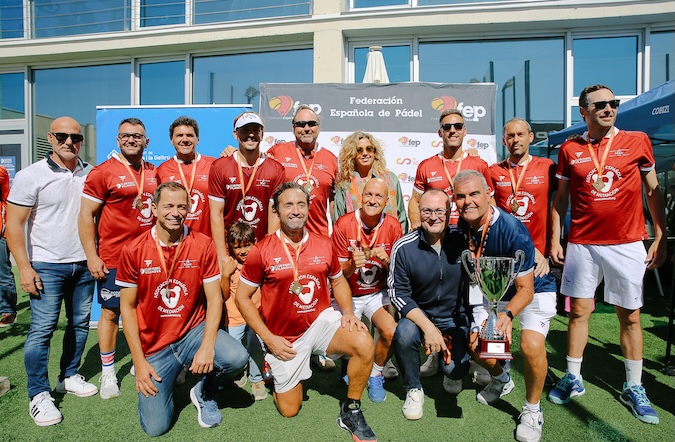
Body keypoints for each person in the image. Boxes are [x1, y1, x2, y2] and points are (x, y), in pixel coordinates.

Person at [548, 84, 666, 425]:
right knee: (579, 312)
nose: (608, 108)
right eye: (599, 104)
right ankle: (574, 376)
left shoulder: (637, 140)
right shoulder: (570, 149)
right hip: (583, 244)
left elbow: (653, 192)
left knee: (629, 315)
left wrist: (660, 234)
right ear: (583, 111)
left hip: (627, 242)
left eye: (613, 103)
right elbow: (561, 200)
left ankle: (633, 386)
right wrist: (557, 239)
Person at [235, 182, 377, 442]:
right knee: (290, 410)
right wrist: (268, 339)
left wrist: (347, 311)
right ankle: (274, 366)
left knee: (363, 341)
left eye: (301, 204)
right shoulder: (261, 250)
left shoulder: (324, 244)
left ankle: (351, 408)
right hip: (284, 337)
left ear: (309, 208)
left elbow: (337, 280)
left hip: (320, 321)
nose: (295, 210)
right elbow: (242, 298)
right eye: (288, 204)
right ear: (277, 211)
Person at [116, 182, 248, 436]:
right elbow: (128, 309)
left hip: (192, 334)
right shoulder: (133, 249)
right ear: (154, 208)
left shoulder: (203, 244)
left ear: (189, 209)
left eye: (181, 206)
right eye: (168, 206)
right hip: (155, 345)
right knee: (156, 428)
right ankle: (172, 374)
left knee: (236, 358)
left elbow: (214, 300)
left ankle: (205, 391)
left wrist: (207, 347)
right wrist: (139, 363)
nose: (175, 212)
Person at [6, 116, 97, 426]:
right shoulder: (31, 175)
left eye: (75, 137)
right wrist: (24, 268)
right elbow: (14, 226)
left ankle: (68, 375)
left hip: (83, 264)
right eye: (62, 136)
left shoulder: (90, 173)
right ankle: (39, 394)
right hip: (46, 265)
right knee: (42, 331)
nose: (69, 141)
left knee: (80, 324)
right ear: (50, 138)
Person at [79, 117, 158, 399]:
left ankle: (142, 360)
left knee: (145, 311)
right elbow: (86, 215)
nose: (131, 140)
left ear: (146, 142)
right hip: (114, 258)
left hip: (148, 256)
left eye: (137, 136)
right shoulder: (103, 172)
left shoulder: (154, 171)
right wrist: (92, 255)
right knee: (111, 312)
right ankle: (109, 372)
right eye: (126, 135)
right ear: (117, 140)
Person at [407, 108, 490, 376]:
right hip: (438, 245)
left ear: (465, 131)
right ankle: (434, 354)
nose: (452, 130)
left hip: (468, 245)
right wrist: (419, 232)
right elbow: (414, 201)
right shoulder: (427, 165)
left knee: (475, 303)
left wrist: (482, 243)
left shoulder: (479, 165)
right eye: (447, 127)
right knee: (438, 299)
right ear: (439, 132)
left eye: (457, 126)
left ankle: (483, 360)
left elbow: (491, 206)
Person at [388, 188, 471, 421]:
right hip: (418, 315)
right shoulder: (404, 246)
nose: (432, 216)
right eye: (426, 210)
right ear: (418, 211)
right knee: (404, 333)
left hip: (454, 317)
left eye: (438, 211)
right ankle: (413, 389)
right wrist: (429, 328)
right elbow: (398, 294)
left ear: (449, 212)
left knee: (457, 370)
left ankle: (447, 368)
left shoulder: (463, 241)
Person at [332, 178, 402, 402]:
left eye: (378, 196)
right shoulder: (344, 224)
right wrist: (352, 264)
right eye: (368, 195)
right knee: (345, 339)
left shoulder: (393, 226)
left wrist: (389, 260)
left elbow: (400, 272)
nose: (373, 200)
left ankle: (375, 373)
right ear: (360, 198)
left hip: (375, 293)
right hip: (349, 292)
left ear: (386, 200)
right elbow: (337, 274)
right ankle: (346, 362)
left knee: (391, 332)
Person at [208, 111, 285, 262]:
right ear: (235, 134)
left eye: (255, 130)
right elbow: (216, 214)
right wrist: (222, 256)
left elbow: (274, 214)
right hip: (232, 250)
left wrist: (268, 253)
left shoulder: (276, 169)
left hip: (260, 249)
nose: (251, 135)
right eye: (245, 130)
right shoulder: (220, 167)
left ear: (262, 134)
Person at [266, 105, 338, 238]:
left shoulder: (331, 159)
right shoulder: (277, 151)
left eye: (311, 124)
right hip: (284, 237)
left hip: (319, 237)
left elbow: (333, 206)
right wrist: (233, 150)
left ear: (318, 127)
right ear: (293, 128)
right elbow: (252, 162)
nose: (306, 128)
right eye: (301, 124)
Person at [220, 221, 267, 401]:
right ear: (231, 248)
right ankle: (240, 373)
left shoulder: (259, 262)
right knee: (235, 349)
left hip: (255, 314)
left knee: (256, 346)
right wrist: (225, 275)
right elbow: (224, 294)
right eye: (238, 247)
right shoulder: (230, 266)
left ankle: (256, 378)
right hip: (234, 317)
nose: (244, 251)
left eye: (247, 245)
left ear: (255, 242)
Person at [334, 130, 408, 232]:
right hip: (355, 243)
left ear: (374, 152)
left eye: (369, 149)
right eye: (359, 150)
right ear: (352, 154)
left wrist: (399, 244)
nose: (365, 153)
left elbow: (402, 216)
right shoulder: (345, 184)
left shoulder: (391, 179)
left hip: (389, 241)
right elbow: (339, 221)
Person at [157, 116, 216, 237]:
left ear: (197, 139)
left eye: (189, 135)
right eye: (179, 136)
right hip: (175, 240)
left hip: (208, 240)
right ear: (171, 140)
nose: (185, 139)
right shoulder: (161, 170)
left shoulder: (214, 165)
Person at [0, 163, 18, 327]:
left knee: (3, 273)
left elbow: (6, 200)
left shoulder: (0, 171)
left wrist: (7, 229)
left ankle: (8, 310)